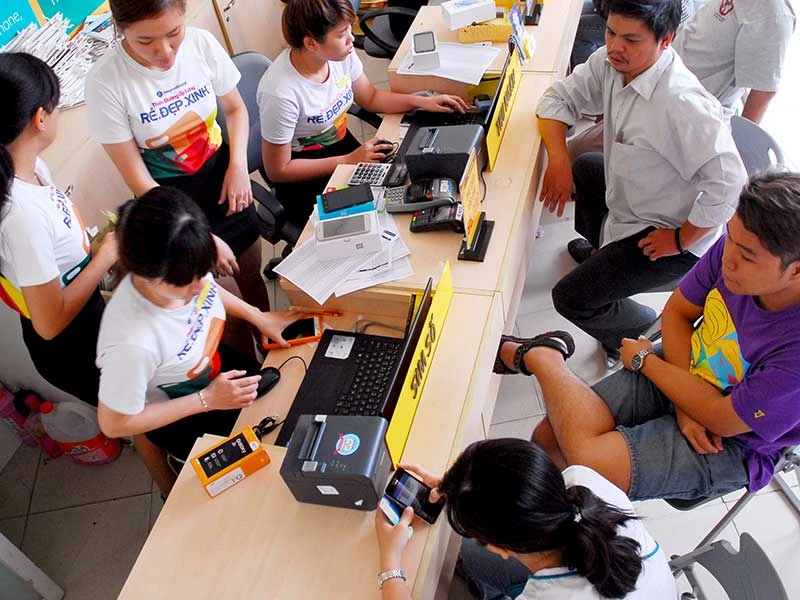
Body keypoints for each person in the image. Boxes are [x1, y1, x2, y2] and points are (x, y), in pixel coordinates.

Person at [494, 170, 800, 503]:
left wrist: (645, 360)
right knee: (548, 440)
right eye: (730, 237)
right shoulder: (736, 246)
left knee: (588, 464)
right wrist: (683, 406)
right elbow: (678, 313)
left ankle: (544, 358)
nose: (728, 258)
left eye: (747, 256)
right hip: (685, 366)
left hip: (733, 441)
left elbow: (723, 420)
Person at [537, 0, 746, 361]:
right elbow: (558, 98)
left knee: (570, 297)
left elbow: (731, 184)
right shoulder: (613, 63)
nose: (615, 47)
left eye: (631, 40)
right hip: (637, 202)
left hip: (669, 232)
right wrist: (558, 159)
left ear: (666, 40)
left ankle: (642, 333)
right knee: (586, 167)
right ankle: (603, 254)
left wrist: (681, 238)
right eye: (611, 32)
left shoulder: (682, 104)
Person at [96, 187, 300, 495]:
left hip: (215, 370)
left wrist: (258, 316)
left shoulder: (181, 264)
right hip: (184, 412)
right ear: (150, 276)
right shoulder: (131, 340)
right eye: (186, 285)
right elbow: (114, 422)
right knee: (249, 490)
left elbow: (207, 289)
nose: (200, 286)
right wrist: (206, 400)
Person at [84, 0, 271, 327]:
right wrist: (202, 237)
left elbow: (236, 110)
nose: (165, 51)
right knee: (223, 310)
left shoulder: (200, 44)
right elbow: (139, 181)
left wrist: (238, 167)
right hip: (170, 208)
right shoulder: (106, 81)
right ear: (121, 28)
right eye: (146, 41)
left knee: (251, 276)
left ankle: (273, 345)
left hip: (224, 182)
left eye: (174, 33)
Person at [374, 439, 677, 599]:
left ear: (500, 548)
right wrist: (459, 486)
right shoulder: (583, 482)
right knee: (472, 556)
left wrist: (390, 561)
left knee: (470, 557)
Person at [257, 0, 470, 227]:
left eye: (350, 29)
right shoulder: (281, 93)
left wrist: (421, 102)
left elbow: (371, 97)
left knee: (407, 184)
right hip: (305, 177)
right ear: (311, 43)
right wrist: (348, 160)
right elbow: (278, 170)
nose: (351, 39)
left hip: (342, 150)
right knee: (377, 220)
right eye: (341, 34)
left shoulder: (339, 55)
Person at [0, 52, 118, 407]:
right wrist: (104, 257)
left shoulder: (33, 168)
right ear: (40, 118)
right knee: (132, 410)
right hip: (71, 345)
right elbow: (49, 324)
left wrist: (94, 250)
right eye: (57, 105)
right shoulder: (21, 216)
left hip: (88, 314)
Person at [568, 0, 795, 160]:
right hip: (651, 77)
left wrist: (736, 148)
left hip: (676, 113)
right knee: (576, 149)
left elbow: (763, 90)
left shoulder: (773, 15)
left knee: (577, 154)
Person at [672, 0, 795, 124]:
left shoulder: (774, 16)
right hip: (672, 78)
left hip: (692, 111)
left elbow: (763, 92)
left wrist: (740, 135)